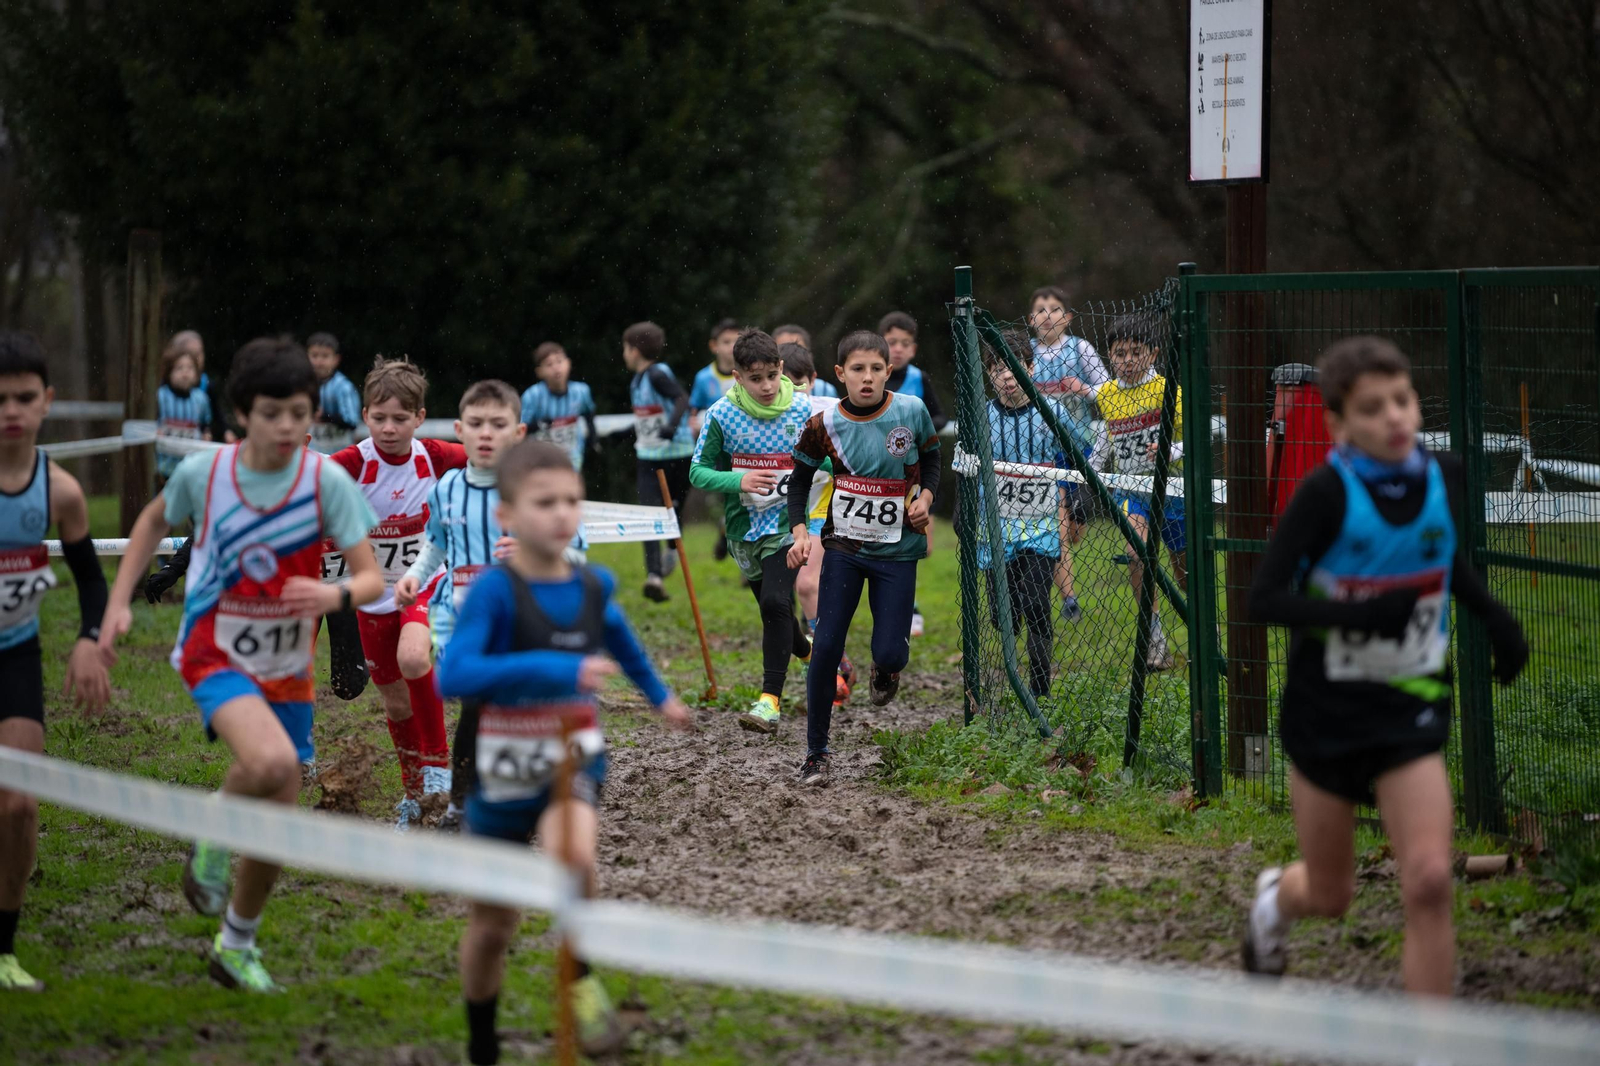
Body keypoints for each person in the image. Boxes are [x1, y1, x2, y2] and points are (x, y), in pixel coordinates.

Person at [1241, 336, 1528, 997]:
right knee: (1332, 894)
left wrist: (1496, 619)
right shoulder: (1323, 495)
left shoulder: (1446, 475)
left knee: (1428, 881)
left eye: (1402, 400)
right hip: (1328, 715)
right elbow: (1263, 600)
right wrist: (1363, 616)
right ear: (1339, 426)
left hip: (1410, 704)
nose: (1395, 417)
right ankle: (1272, 905)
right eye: (1373, 409)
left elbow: (1447, 561)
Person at [100, 337, 383, 992]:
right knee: (275, 764)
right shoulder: (208, 474)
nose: (289, 427)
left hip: (288, 664)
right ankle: (210, 825)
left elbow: (368, 578)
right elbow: (148, 524)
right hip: (214, 649)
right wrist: (118, 604)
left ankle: (236, 944)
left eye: (300, 414)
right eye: (272, 413)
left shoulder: (325, 482)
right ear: (240, 417)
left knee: (278, 803)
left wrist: (333, 594)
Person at [438, 440, 690, 1064]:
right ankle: (481, 1040)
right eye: (543, 502)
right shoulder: (495, 592)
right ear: (506, 517)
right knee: (494, 926)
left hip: (572, 758)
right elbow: (454, 675)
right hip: (498, 770)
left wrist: (661, 698)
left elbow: (624, 646)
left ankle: (579, 977)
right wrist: (553, 666)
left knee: (575, 855)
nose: (560, 514)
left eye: (571, 501)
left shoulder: (593, 584)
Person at [0, 331, 112, 994]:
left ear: (47, 401)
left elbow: (92, 582)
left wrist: (88, 638)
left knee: (17, 807)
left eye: (22, 398)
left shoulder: (61, 491)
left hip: (15, 655)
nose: (10, 410)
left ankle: (4, 947)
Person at [786, 331, 939, 786]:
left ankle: (884, 667)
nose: (867, 377)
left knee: (891, 651)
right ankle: (817, 753)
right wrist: (800, 532)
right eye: (857, 369)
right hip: (844, 548)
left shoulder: (911, 411)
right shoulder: (824, 424)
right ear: (840, 375)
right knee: (826, 645)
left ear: (888, 371)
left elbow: (932, 461)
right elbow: (798, 482)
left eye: (876, 368)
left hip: (897, 550)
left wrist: (926, 497)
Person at [327, 357, 467, 829]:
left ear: (420, 418)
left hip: (424, 580)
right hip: (372, 595)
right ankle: (412, 794)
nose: (389, 428)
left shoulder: (435, 455)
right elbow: (302, 482)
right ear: (365, 416)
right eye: (379, 418)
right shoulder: (350, 463)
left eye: (400, 419)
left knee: (413, 659)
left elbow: (490, 461)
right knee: (394, 702)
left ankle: (438, 772)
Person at [395, 379, 526, 832]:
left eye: (498, 424)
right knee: (477, 705)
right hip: (460, 620)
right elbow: (436, 544)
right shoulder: (447, 487)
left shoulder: (532, 488)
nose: (486, 433)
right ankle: (462, 804)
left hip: (519, 620)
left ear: (518, 433)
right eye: (476, 424)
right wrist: (414, 574)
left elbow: (574, 548)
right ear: (458, 430)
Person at [690, 330, 813, 732]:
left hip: (788, 525)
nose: (765, 386)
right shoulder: (722, 414)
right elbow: (698, 471)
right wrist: (737, 480)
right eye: (754, 378)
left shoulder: (802, 410)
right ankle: (811, 654)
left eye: (772, 376)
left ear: (781, 370)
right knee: (776, 613)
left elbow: (829, 462)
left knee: (776, 604)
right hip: (744, 531)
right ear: (737, 375)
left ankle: (769, 702)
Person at [952, 331, 1076, 696]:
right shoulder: (980, 418)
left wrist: (1079, 494)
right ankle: (1005, 611)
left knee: (1037, 604)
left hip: (1040, 526)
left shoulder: (1052, 412)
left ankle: (1040, 691)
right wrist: (962, 505)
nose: (1006, 376)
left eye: (1014, 367)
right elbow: (963, 463)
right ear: (989, 375)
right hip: (996, 527)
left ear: (1031, 367)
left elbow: (1078, 451)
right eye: (997, 369)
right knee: (1001, 614)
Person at [1091, 313, 1185, 671]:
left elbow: (1194, 438)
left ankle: (1205, 630)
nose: (1127, 360)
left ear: (1153, 353)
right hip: (1133, 490)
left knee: (1184, 575)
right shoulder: (1106, 394)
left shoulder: (1168, 389)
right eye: (1119, 353)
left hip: (1173, 489)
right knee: (1136, 553)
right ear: (1110, 356)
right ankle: (1155, 640)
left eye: (1135, 352)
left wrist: (1169, 451)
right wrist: (1093, 471)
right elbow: (1103, 438)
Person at [780, 341, 855, 705]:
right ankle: (827, 654)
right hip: (784, 511)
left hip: (823, 507)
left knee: (807, 586)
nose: (790, 391)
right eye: (782, 383)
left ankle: (832, 664)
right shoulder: (762, 415)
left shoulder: (829, 411)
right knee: (785, 598)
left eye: (797, 382)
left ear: (813, 381)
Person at [878, 311, 943, 639]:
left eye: (905, 343)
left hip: (913, 475)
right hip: (875, 475)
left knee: (912, 545)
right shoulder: (872, 378)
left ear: (913, 349)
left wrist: (921, 429)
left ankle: (910, 607)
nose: (898, 349)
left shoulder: (920, 379)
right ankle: (891, 609)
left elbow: (939, 416)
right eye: (892, 342)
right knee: (878, 543)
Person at [623, 321, 692, 602]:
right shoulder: (636, 381)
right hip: (648, 458)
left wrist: (672, 427)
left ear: (636, 350)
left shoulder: (656, 374)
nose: (624, 354)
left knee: (672, 510)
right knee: (649, 514)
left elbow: (681, 398)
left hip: (678, 455)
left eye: (625, 348)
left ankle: (673, 551)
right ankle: (654, 576)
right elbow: (646, 420)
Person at [692, 318, 742, 561]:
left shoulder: (751, 373)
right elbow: (694, 412)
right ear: (714, 346)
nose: (732, 346)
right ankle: (726, 533)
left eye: (736, 340)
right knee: (722, 502)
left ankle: (746, 555)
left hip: (746, 450)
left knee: (747, 501)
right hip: (717, 453)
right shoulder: (704, 378)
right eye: (726, 341)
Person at [520, 342, 597, 473]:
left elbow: (588, 414)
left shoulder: (581, 391)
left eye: (559, 361)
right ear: (539, 372)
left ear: (569, 363)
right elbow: (521, 428)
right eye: (549, 364)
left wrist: (593, 440)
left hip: (572, 456)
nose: (556, 368)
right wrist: (539, 425)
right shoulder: (532, 396)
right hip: (540, 458)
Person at [155, 341, 213, 491]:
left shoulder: (201, 399)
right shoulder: (160, 396)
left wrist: (206, 434)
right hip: (164, 465)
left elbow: (205, 423)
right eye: (179, 368)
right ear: (169, 372)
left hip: (193, 464)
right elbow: (153, 422)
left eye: (190, 368)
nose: (185, 372)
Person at [307, 331, 363, 454]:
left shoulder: (343, 387)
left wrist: (324, 416)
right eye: (314, 356)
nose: (319, 361)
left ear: (336, 359)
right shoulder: (302, 385)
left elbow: (352, 421)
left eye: (325, 356)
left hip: (339, 452)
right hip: (312, 451)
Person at [773, 324, 838, 398]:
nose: (790, 352)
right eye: (782, 348)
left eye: (797, 349)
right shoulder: (765, 388)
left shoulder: (824, 390)